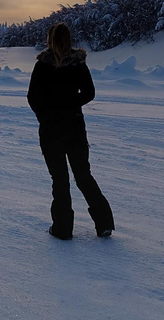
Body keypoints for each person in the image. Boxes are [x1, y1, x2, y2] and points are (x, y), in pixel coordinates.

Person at [27, 23, 114, 240]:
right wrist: (71, 105)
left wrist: (46, 115)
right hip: (74, 126)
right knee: (83, 176)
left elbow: (32, 97)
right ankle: (104, 224)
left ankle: (63, 229)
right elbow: (89, 93)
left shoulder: (43, 65)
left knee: (60, 179)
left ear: (50, 39)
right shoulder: (78, 64)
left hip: (51, 129)